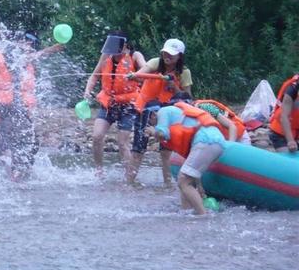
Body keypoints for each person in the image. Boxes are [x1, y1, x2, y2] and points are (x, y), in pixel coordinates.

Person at [0, 31, 63, 180]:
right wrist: (49, 50)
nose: (31, 48)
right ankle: (14, 176)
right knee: (14, 141)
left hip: (16, 105)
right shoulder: (10, 52)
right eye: (30, 45)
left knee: (28, 141)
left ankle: (18, 172)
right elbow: (22, 60)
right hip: (9, 105)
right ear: (24, 43)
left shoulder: (12, 53)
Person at [127, 38, 193, 186]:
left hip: (167, 113)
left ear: (180, 56)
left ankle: (168, 184)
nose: (167, 56)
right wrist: (134, 75)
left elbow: (188, 98)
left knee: (166, 151)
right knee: (138, 148)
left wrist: (174, 87)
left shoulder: (185, 72)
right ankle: (129, 183)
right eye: (165, 53)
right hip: (145, 109)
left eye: (171, 54)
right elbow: (141, 74)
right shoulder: (155, 63)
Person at [143, 100, 226, 215]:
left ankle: (203, 215)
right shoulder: (179, 117)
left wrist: (153, 132)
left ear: (152, 115)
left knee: (183, 181)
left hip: (205, 140)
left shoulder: (162, 112)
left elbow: (162, 134)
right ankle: (186, 213)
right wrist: (199, 185)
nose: (153, 124)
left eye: (151, 122)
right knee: (186, 180)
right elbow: (192, 167)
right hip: (216, 141)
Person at [83, 31, 146, 175]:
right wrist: (88, 90)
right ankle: (99, 170)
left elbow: (147, 70)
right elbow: (94, 76)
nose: (113, 52)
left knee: (123, 143)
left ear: (125, 45)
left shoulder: (135, 56)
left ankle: (129, 177)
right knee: (97, 136)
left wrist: (136, 75)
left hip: (128, 105)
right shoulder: (106, 56)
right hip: (108, 104)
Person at [268, 74, 299, 152]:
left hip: (296, 132)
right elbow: (284, 117)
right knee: (289, 160)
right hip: (281, 132)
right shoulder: (292, 90)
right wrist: (291, 141)